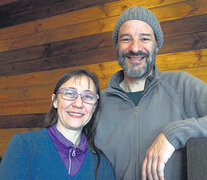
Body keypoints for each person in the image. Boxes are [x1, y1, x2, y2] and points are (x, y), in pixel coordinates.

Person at [94, 6, 207, 180]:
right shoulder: (97, 103)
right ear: (117, 46)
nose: (135, 48)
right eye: (126, 39)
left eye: (144, 38)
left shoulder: (181, 85)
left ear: (156, 46)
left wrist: (172, 135)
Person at [0, 69, 115, 180]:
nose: (78, 104)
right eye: (70, 93)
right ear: (55, 101)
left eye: (88, 96)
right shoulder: (24, 146)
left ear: (94, 107)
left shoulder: (102, 165)